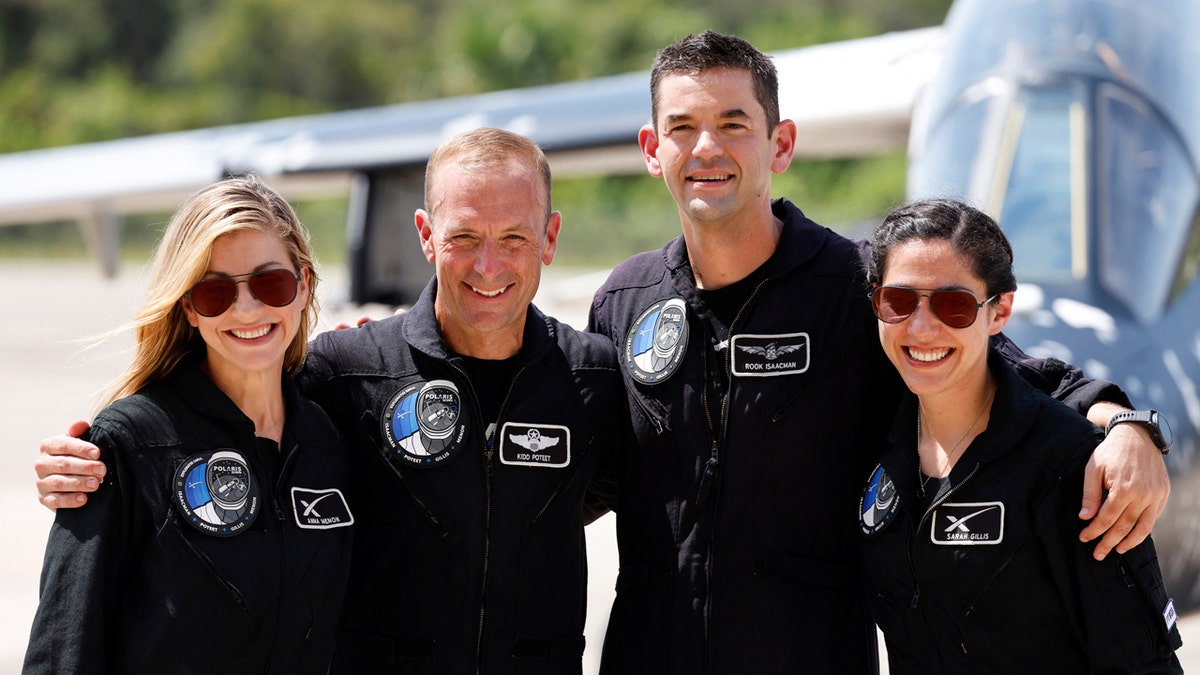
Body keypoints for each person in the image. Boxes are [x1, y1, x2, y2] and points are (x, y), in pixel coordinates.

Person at [586, 31, 1170, 674]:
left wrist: (1126, 425)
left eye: (733, 123)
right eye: (683, 126)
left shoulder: (858, 288)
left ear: (781, 144)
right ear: (651, 148)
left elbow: (1000, 365)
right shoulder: (625, 299)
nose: (707, 147)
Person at [34, 128, 624, 674]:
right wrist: (91, 459)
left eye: (271, 285)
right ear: (425, 236)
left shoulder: (594, 379)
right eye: (463, 237)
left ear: (549, 238)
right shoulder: (348, 377)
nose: (488, 264)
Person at [22, 175, 354, 674]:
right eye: (214, 292)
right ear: (187, 308)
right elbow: (63, 650)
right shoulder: (128, 446)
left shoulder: (332, 442)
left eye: (271, 283)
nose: (247, 308)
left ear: (304, 287)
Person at [858, 198, 1182, 672]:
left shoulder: (1070, 465)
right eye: (899, 301)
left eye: (954, 305)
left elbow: (1141, 663)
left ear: (1000, 311)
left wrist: (1133, 425)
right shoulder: (875, 438)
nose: (922, 327)